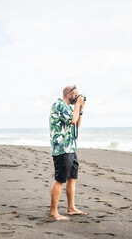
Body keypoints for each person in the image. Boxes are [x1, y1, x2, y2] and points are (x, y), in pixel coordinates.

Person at [49, 85, 87, 221]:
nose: (77, 98)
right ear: (69, 95)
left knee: (72, 178)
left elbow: (76, 124)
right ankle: (54, 212)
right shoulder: (58, 105)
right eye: (76, 95)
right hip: (61, 149)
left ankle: (71, 208)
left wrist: (80, 109)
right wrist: (77, 105)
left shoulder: (69, 108)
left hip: (71, 148)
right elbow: (71, 120)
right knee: (60, 180)